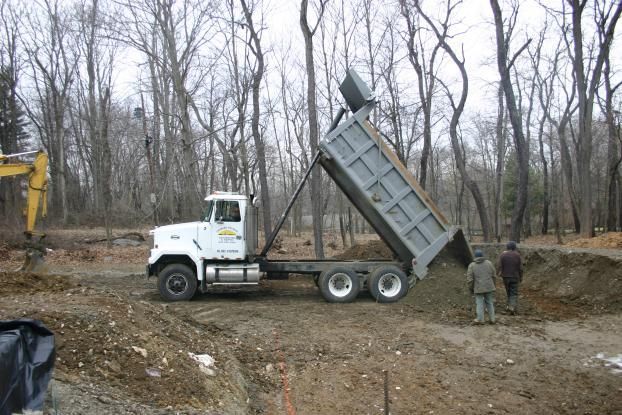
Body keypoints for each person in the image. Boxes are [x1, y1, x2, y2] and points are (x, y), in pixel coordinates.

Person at [466, 249, 496, 324]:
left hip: (478, 287)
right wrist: (493, 285)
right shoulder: (489, 263)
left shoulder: (472, 265)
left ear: (475, 256)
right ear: (482, 255)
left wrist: (471, 288)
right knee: (489, 302)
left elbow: (470, 279)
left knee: (479, 302)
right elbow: (494, 275)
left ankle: (480, 319)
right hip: (489, 286)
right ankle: (492, 319)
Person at [497, 241, 523, 315]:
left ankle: (509, 306)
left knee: (508, 291)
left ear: (507, 247)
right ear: (514, 247)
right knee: (513, 292)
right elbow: (521, 268)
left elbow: (499, 266)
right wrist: (521, 277)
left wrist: (497, 273)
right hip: (515, 276)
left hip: (505, 277)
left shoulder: (502, 255)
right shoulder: (517, 255)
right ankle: (512, 307)